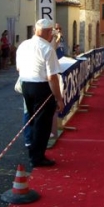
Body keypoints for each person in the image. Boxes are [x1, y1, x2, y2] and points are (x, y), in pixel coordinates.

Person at [16, 19, 64, 168]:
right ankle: (37, 157)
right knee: (42, 125)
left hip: (26, 84)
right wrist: (59, 98)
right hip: (41, 87)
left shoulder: (23, 45)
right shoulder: (47, 49)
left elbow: (18, 68)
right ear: (49, 32)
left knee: (32, 119)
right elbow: (52, 77)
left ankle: (33, 150)